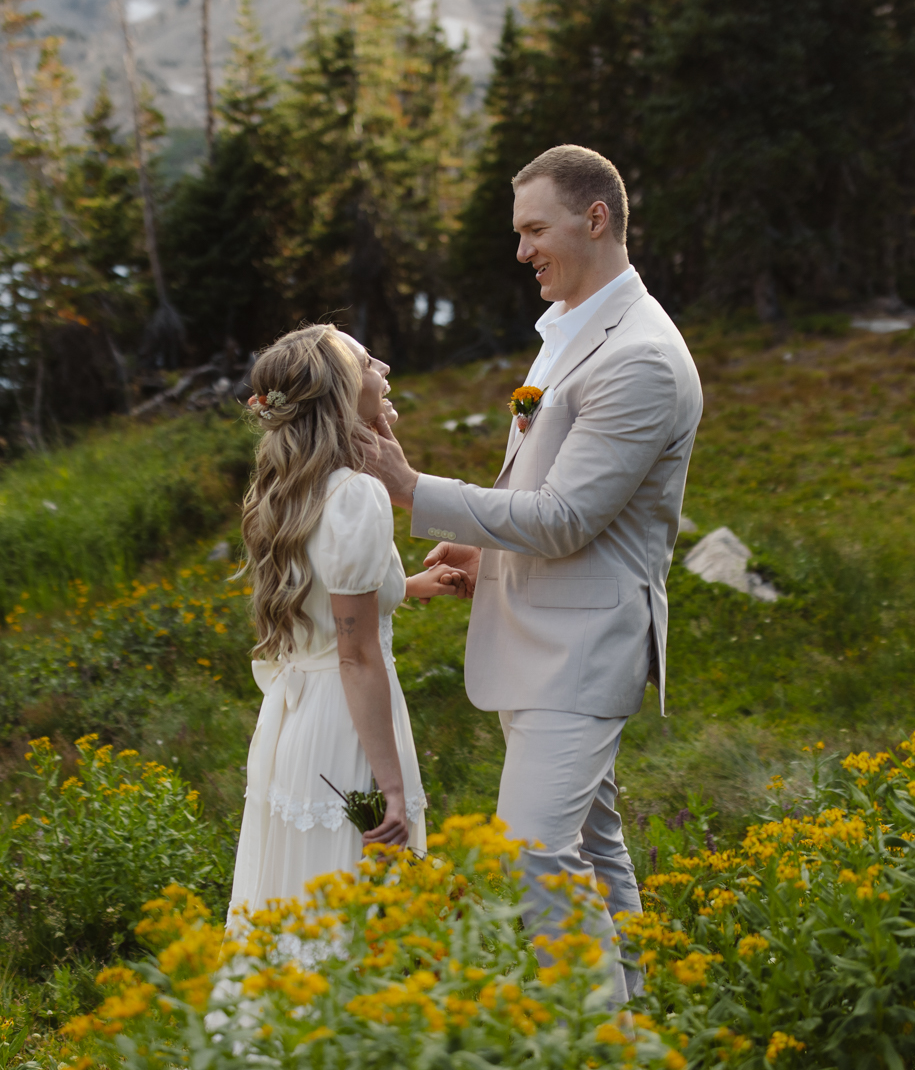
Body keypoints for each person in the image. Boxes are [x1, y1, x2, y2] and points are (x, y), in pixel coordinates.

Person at [356, 144, 702, 1005]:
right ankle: (628, 1020)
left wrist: (410, 489)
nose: (522, 252)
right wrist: (481, 548)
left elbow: (565, 518)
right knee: (590, 841)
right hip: (540, 627)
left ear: (597, 219)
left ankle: (588, 1026)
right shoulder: (564, 333)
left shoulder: (640, 359)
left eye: (534, 230)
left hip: (582, 642)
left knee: (535, 845)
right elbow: (537, 482)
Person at [227, 323, 469, 929]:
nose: (383, 365)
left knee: (300, 914)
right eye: (366, 361)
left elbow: (328, 603)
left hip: (294, 726)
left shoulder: (285, 488)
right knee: (360, 919)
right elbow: (355, 656)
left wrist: (408, 587)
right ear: (340, 392)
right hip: (348, 729)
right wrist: (390, 788)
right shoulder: (358, 494)